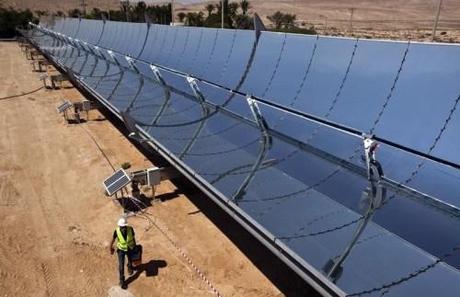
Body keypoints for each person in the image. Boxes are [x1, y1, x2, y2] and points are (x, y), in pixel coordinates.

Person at [110, 217, 136, 289]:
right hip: (121, 250)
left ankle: (130, 267)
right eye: (122, 227)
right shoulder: (117, 231)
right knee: (121, 266)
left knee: (130, 260)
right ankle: (122, 280)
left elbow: (133, 238)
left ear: (126, 225)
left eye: (124, 227)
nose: (123, 228)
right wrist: (110, 248)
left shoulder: (130, 229)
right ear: (119, 226)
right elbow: (112, 240)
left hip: (129, 248)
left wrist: (135, 246)